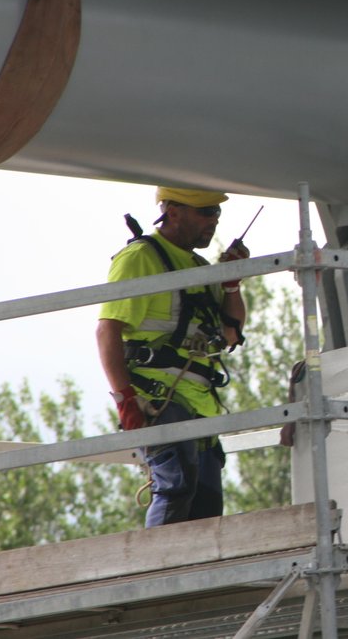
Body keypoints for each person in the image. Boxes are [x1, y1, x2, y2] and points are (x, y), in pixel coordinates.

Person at [96, 186, 249, 527]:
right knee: (176, 488)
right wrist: (126, 400)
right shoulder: (140, 258)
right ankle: (158, 576)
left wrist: (231, 285)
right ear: (173, 211)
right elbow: (108, 331)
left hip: (201, 408)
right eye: (206, 212)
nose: (214, 222)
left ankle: (195, 579)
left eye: (217, 214)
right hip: (161, 399)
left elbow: (230, 333)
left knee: (206, 507)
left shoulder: (198, 265)